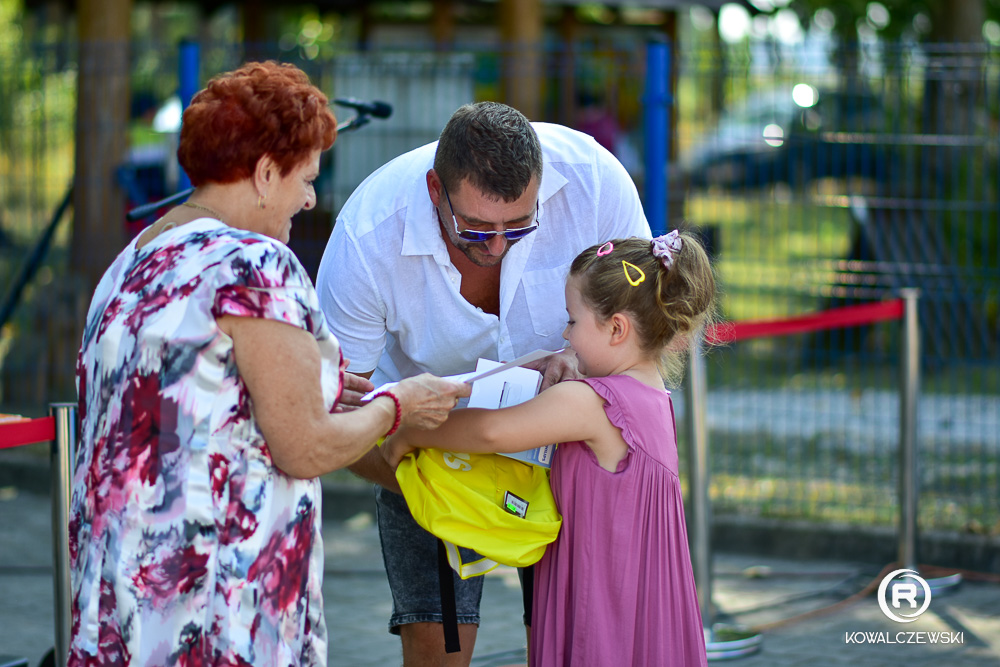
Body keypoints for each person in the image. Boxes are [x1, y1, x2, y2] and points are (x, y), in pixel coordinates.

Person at [68, 61, 469, 667]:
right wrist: (397, 404)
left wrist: (320, 387)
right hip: (215, 607)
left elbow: (192, 399)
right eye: (305, 178)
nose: (310, 198)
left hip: (121, 601)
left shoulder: (132, 261)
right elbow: (305, 448)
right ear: (263, 173)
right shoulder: (254, 264)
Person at [316, 101, 650, 665]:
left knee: (571, 643)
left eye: (519, 226)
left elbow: (643, 334)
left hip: (564, 447)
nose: (497, 246)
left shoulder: (592, 180)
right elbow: (336, 415)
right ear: (435, 190)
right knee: (437, 646)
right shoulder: (368, 235)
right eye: (476, 228)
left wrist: (580, 359)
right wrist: (424, 479)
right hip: (422, 457)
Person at [382, 232, 715, 666]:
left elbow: (490, 431)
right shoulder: (656, 398)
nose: (565, 334)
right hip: (644, 598)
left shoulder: (592, 401)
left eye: (573, 321)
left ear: (617, 328)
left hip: (601, 602)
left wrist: (410, 432)